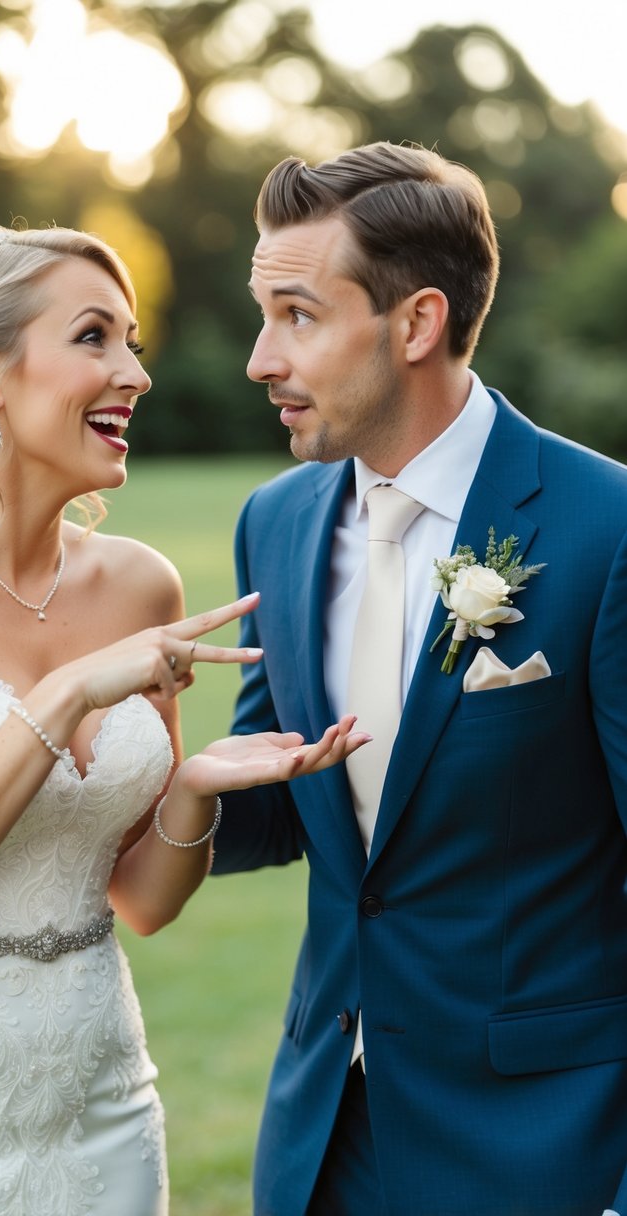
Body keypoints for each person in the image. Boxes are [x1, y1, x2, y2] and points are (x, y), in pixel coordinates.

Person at [0, 220, 367, 1216]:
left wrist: (190, 791)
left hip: (99, 1109)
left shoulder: (139, 583)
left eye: (133, 342)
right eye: (94, 337)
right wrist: (66, 696)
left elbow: (143, 900)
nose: (134, 374)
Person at [211, 141, 627, 1216]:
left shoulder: (605, 528)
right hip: (325, 1142)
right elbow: (281, 810)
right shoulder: (278, 522)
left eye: (296, 315)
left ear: (416, 323)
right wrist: (135, 772)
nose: (261, 357)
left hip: (546, 1150)